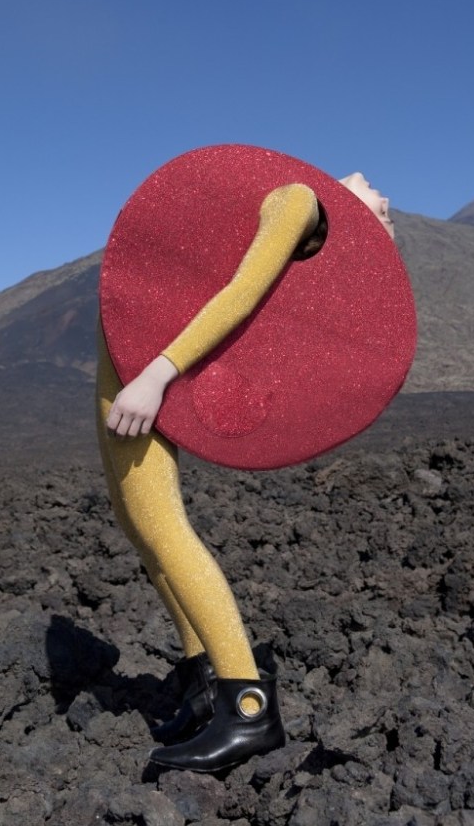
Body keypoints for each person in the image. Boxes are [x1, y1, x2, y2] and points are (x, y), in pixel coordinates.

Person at [97, 155, 401, 773]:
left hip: (151, 364)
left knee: (162, 527)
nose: (379, 188)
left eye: (382, 205)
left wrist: (156, 376)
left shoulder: (300, 200)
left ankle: (248, 706)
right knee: (139, 525)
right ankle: (201, 679)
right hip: (133, 351)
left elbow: (243, 293)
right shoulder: (290, 205)